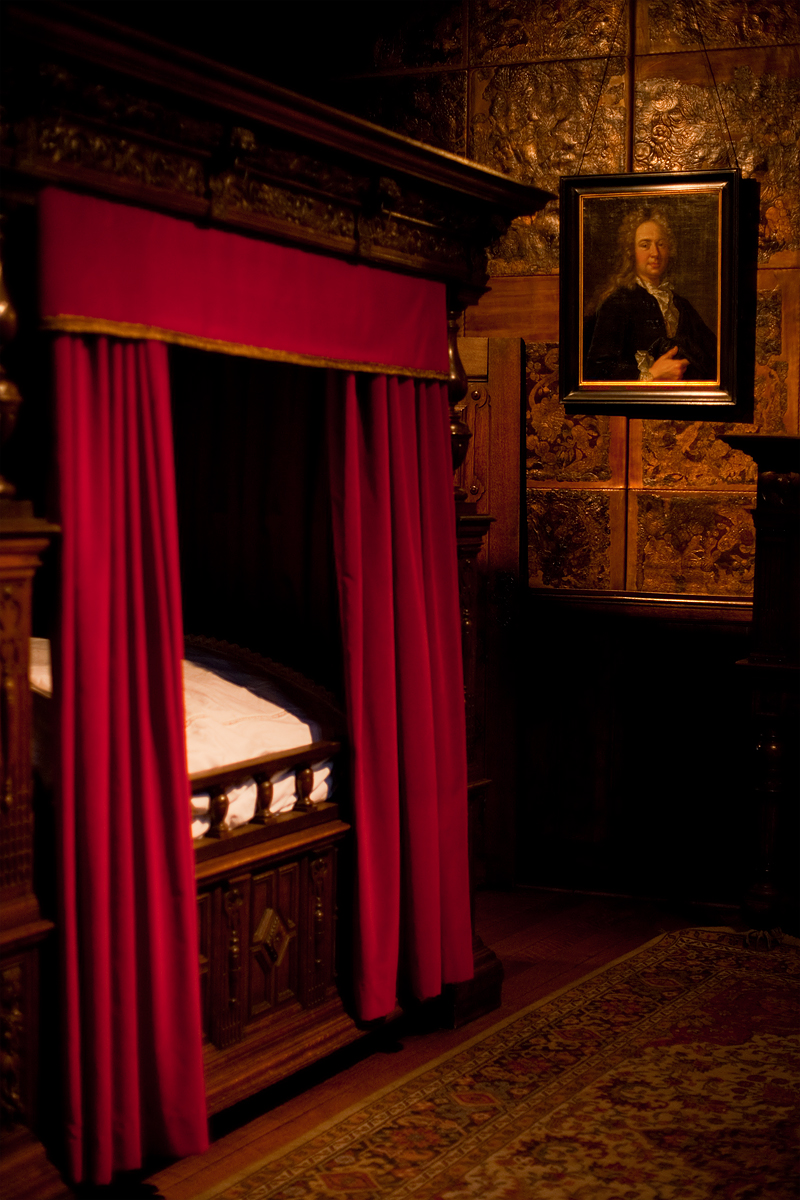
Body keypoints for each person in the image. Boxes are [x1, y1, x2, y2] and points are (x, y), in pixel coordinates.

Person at [583, 208, 717, 383]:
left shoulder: (681, 305)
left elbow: (715, 359)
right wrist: (650, 375)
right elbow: (595, 371)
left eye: (661, 244)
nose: (655, 253)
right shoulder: (617, 303)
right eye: (645, 245)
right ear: (631, 252)